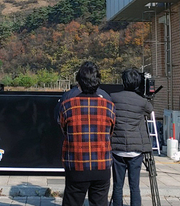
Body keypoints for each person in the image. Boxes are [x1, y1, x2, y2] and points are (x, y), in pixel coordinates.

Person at [58, 62, 116, 206]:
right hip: (102, 166)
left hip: (76, 165)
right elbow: (110, 132)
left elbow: (64, 130)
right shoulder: (109, 106)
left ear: (79, 82)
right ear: (98, 82)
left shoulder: (67, 105)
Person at [110, 68, 154, 206]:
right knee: (135, 186)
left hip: (117, 147)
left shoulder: (113, 98)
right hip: (136, 149)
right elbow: (151, 111)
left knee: (118, 185)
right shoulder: (142, 101)